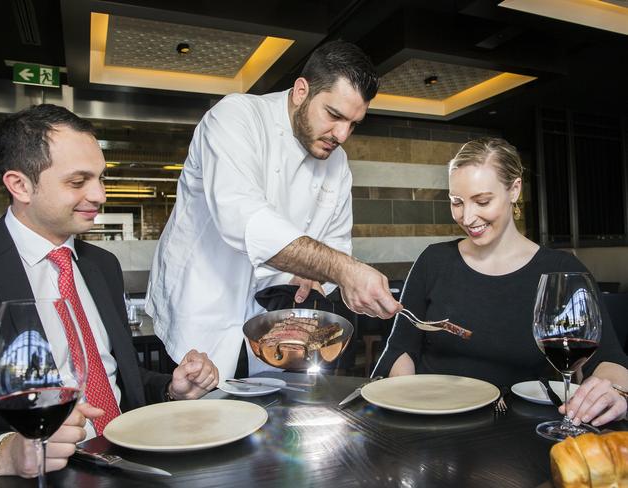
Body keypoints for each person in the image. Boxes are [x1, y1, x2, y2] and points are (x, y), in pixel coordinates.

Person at [0, 104, 219, 480]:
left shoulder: (102, 266)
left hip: (129, 465)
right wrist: (5, 454)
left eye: (101, 177)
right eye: (78, 182)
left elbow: (115, 378)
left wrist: (172, 389)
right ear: (20, 185)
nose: (100, 194)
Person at [147, 40, 401, 379]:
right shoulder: (236, 117)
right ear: (300, 91)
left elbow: (336, 244)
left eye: (353, 124)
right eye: (334, 115)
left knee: (268, 420)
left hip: (275, 326)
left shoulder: (337, 163)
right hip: (202, 312)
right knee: (197, 422)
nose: (342, 134)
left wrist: (319, 278)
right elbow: (241, 217)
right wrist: (345, 270)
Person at [373, 137, 628, 427]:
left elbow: (608, 359)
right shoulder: (434, 261)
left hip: (524, 432)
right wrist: (405, 413)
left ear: (514, 189)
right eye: (457, 202)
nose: (467, 217)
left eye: (482, 201)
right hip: (433, 425)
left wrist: (613, 390)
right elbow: (401, 350)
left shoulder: (561, 270)